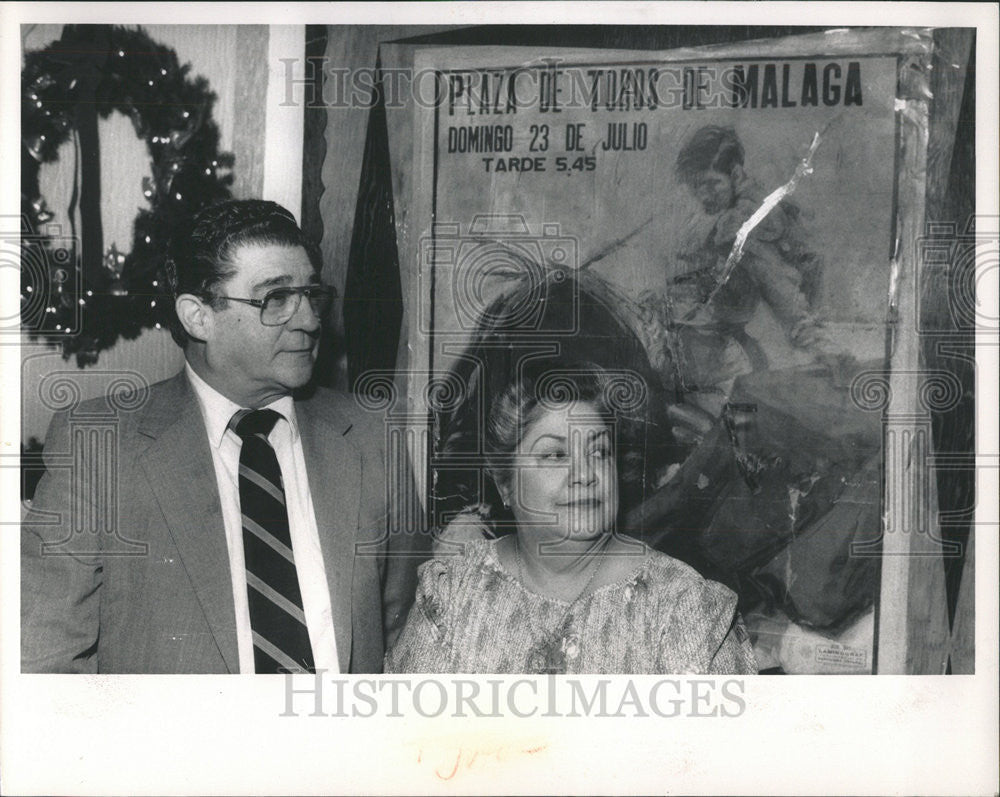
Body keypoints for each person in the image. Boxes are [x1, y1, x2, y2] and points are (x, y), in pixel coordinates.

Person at [22, 199, 425, 673]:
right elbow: (41, 661)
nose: (311, 320)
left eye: (311, 294)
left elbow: (409, 635)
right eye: (275, 298)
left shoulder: (372, 435)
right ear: (198, 317)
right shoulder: (100, 447)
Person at [386, 364, 756, 674]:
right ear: (504, 483)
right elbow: (408, 752)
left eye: (599, 451)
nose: (585, 474)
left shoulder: (682, 609)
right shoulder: (453, 599)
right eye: (555, 455)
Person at [660, 125, 844, 413]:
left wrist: (816, 343)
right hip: (706, 351)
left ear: (735, 174)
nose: (703, 195)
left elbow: (778, 285)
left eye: (711, 184)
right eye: (697, 186)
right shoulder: (736, 211)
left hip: (722, 364)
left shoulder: (744, 225)